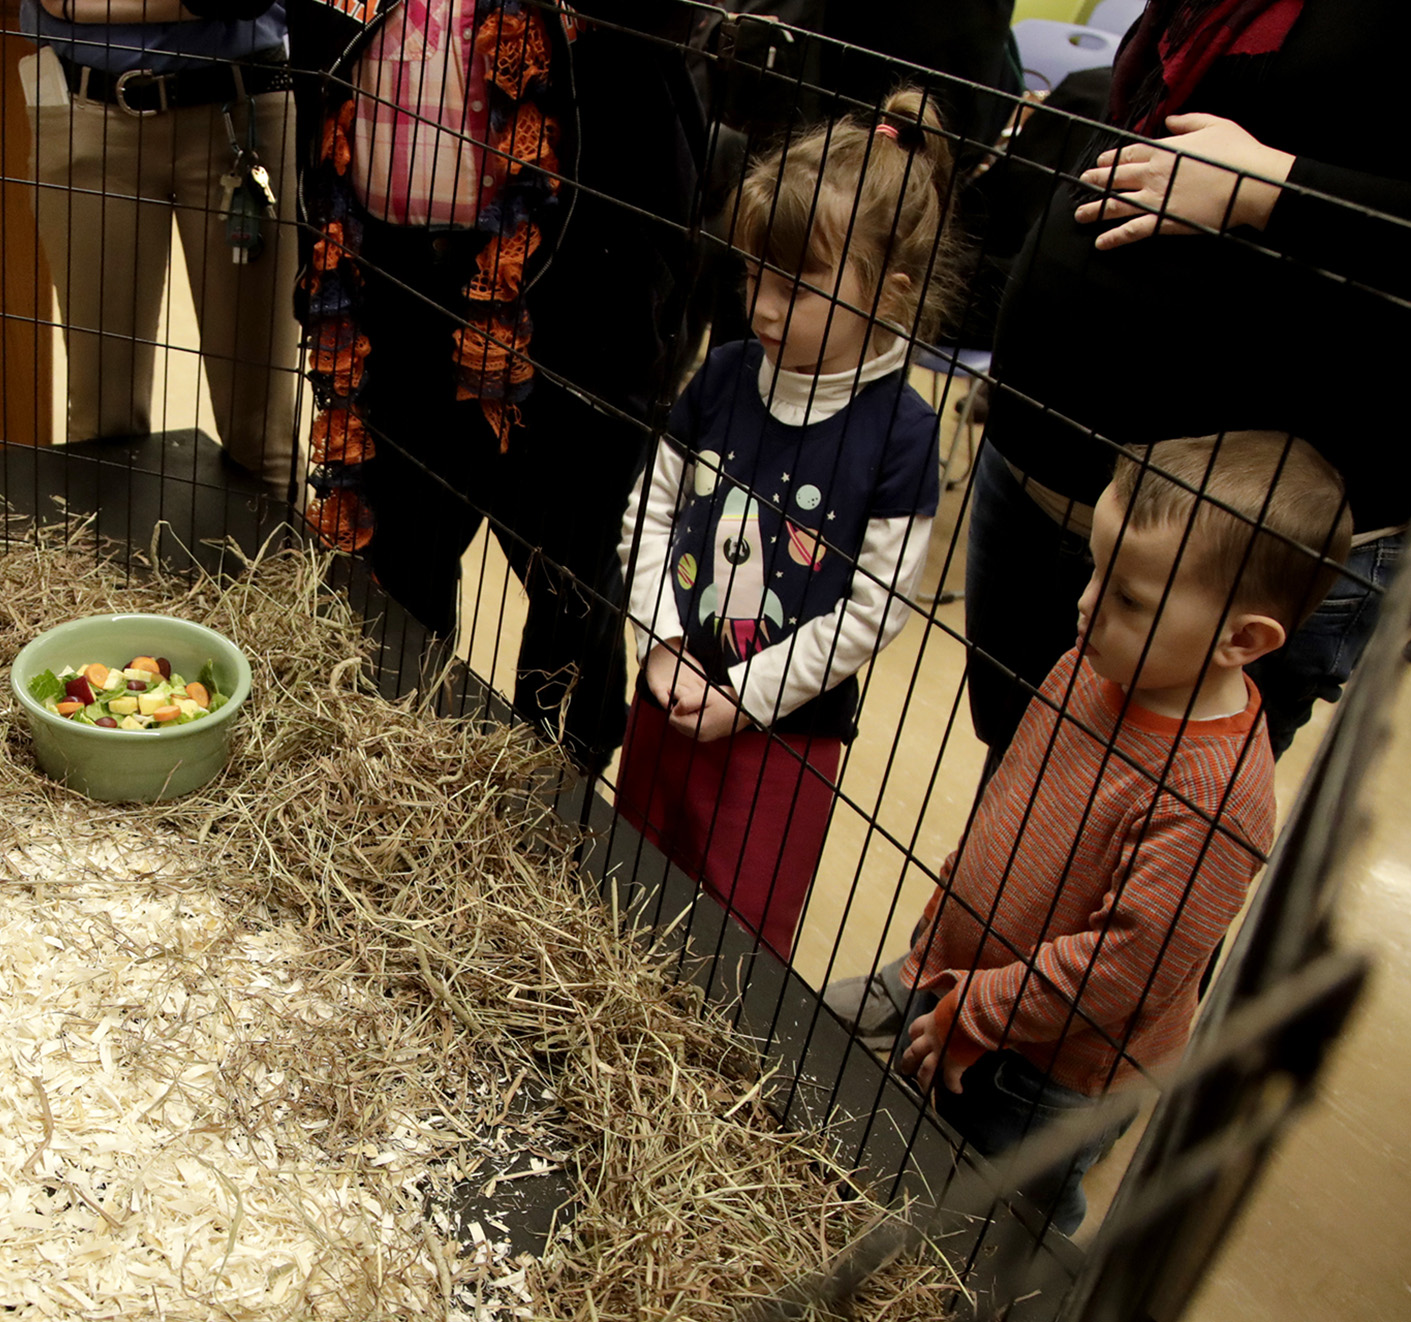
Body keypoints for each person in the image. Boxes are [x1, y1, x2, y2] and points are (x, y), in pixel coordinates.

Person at [831, 432, 1352, 1234]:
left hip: (1047, 1076)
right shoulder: (1095, 664)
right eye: (1095, 568)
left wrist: (984, 1008)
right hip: (961, 977)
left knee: (993, 1219)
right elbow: (1018, 797)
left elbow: (1123, 973)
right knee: (907, 1145)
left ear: (1242, 640)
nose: (1087, 603)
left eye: (1130, 597)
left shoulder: (1215, 798)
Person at [963, 0, 1411, 772]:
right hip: (1040, 461)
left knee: (1141, 833)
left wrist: (1277, 191)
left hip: (1243, 539)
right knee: (1017, 783)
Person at [290, 0, 705, 773]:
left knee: (567, 571)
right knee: (401, 556)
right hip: (397, 281)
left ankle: (553, 791)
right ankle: (388, 766)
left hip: (573, 292)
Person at [611, 90, 956, 960]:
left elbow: (872, 609)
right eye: (754, 274)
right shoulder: (726, 373)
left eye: (794, 288)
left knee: (728, 937)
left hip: (781, 736)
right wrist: (661, 638)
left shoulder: (905, 435)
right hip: (670, 688)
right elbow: (651, 507)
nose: (761, 308)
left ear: (888, 292)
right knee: (626, 884)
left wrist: (748, 699)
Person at [21, 0, 304, 490]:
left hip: (247, 112)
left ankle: (282, 565)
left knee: (263, 440)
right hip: (92, 111)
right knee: (101, 425)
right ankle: (104, 564)